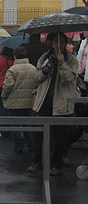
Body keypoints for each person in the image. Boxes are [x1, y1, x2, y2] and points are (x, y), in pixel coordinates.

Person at [28, 33, 79, 176]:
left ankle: (57, 164)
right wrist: (45, 71)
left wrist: (62, 63)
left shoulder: (72, 60)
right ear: (51, 43)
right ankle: (38, 161)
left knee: (60, 137)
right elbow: (36, 78)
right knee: (40, 135)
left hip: (62, 103)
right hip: (45, 100)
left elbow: (69, 79)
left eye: (62, 42)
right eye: (56, 42)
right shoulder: (45, 58)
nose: (59, 45)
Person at [2, 46, 37, 153]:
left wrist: (4, 96)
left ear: (15, 56)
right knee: (28, 124)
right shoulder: (33, 68)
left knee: (16, 124)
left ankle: (19, 146)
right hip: (29, 101)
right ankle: (32, 145)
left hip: (14, 101)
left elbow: (8, 86)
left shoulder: (12, 70)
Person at [0, 46, 14, 129]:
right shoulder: (13, 60)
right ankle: (10, 127)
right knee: (10, 108)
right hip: (11, 86)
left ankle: (3, 129)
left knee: (1, 107)